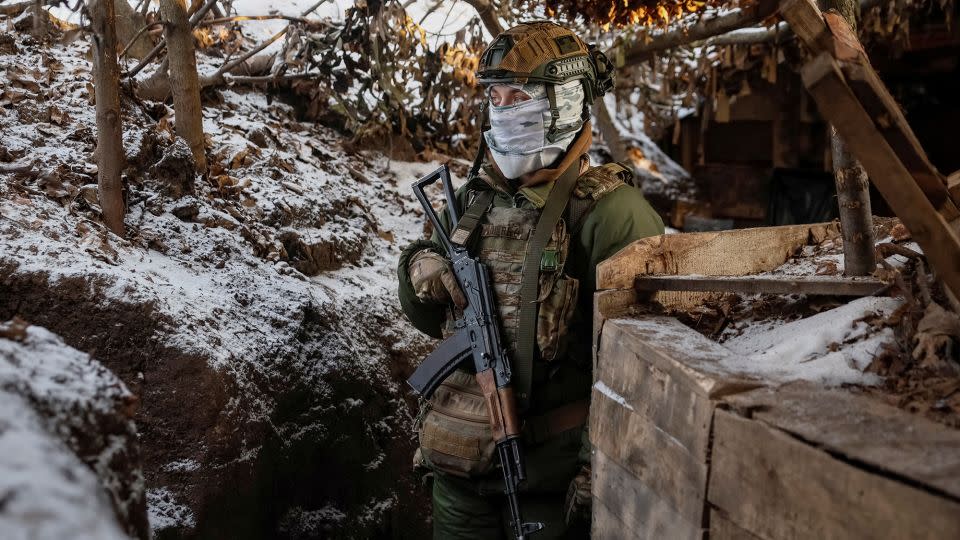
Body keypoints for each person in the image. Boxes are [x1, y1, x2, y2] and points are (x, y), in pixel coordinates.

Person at [397, 21, 664, 539]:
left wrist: (597, 470)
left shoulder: (614, 214)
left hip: (545, 483)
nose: (502, 109)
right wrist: (418, 269)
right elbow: (430, 318)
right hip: (456, 479)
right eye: (495, 98)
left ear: (564, 102)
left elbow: (635, 367)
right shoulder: (475, 199)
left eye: (517, 96)